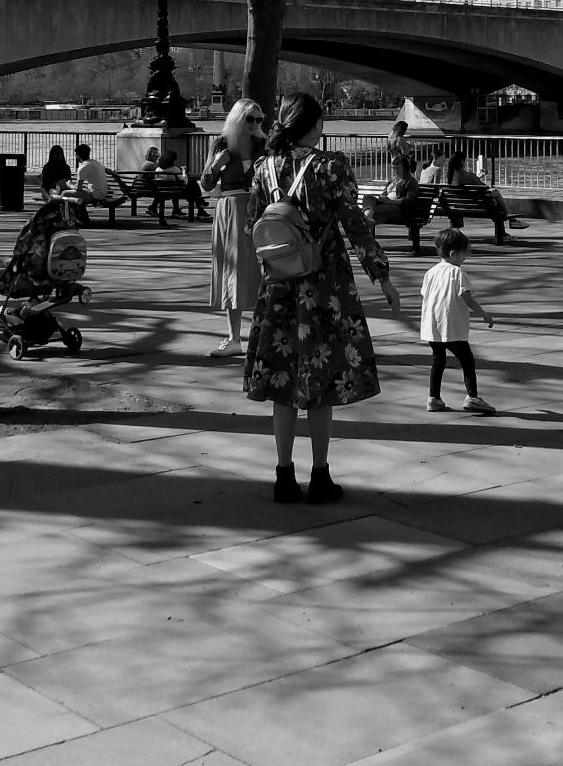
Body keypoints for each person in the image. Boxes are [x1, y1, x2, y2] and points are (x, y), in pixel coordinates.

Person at [244, 92, 400, 505]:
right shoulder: (331, 167)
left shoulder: (264, 168)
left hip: (278, 288)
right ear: (314, 125)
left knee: (282, 383)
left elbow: (251, 228)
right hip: (324, 289)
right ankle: (320, 475)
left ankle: (283, 475)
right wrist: (382, 276)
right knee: (321, 381)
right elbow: (355, 226)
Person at [201, 100, 267, 358]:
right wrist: (217, 164)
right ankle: (234, 338)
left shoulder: (262, 144)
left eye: (259, 120)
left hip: (258, 207)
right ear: (238, 118)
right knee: (233, 270)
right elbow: (207, 183)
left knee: (264, 268)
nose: (255, 124)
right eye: (250, 119)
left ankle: (263, 334)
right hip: (230, 208)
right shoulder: (221, 144)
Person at [420, 227, 496, 414]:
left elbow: (426, 295)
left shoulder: (430, 272)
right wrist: (484, 314)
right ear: (453, 254)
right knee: (467, 360)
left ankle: (433, 398)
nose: (466, 257)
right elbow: (467, 298)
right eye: (464, 253)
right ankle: (472, 397)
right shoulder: (457, 273)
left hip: (432, 326)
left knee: (438, 361)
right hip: (451, 326)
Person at [71, 143, 119, 224]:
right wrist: (115, 174)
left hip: (96, 194)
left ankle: (80, 220)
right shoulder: (95, 162)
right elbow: (107, 170)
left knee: (66, 194)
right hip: (103, 192)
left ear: (78, 156)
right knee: (75, 195)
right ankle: (82, 219)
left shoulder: (82, 167)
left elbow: (78, 189)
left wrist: (69, 185)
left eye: (75, 155)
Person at [383, 120, 419, 203]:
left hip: (394, 162)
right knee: (404, 181)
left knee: (396, 180)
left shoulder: (390, 138)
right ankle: (398, 199)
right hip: (402, 163)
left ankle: (391, 196)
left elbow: (394, 149)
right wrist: (409, 147)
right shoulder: (401, 139)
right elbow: (405, 153)